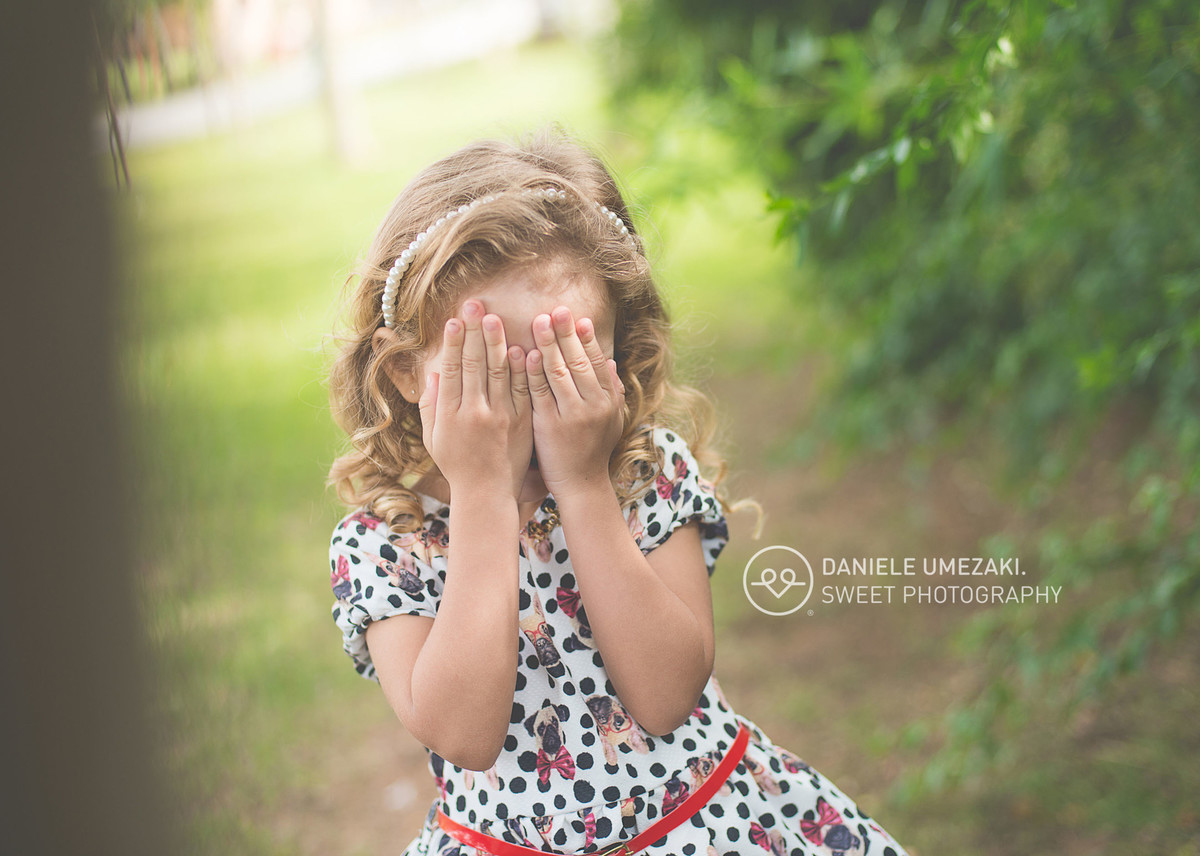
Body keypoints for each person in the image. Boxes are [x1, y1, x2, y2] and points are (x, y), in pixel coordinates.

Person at [325, 130, 908, 856]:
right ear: (408, 372)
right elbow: (463, 734)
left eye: (566, 363)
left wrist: (580, 483)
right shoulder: (386, 542)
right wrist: (482, 495)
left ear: (617, 348)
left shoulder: (642, 474)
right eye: (491, 368)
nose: (533, 405)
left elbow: (666, 695)